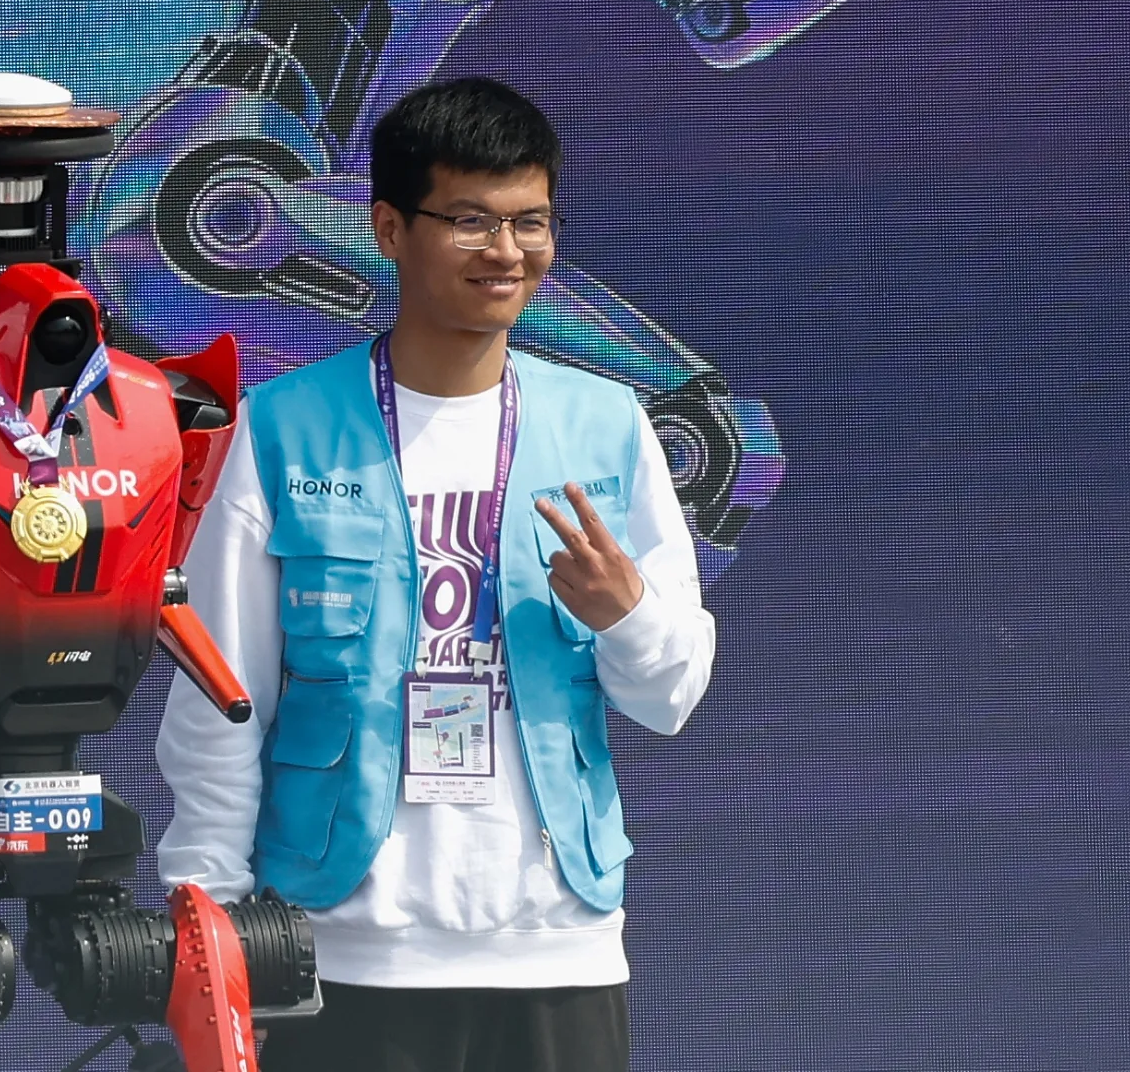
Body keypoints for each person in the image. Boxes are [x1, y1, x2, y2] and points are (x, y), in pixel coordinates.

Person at [155, 77, 715, 1072]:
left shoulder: (604, 424)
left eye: (528, 223)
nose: (505, 253)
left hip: (553, 951)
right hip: (338, 952)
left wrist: (624, 615)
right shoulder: (283, 428)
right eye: (468, 221)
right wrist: (207, 915)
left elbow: (668, 696)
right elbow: (218, 696)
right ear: (385, 227)